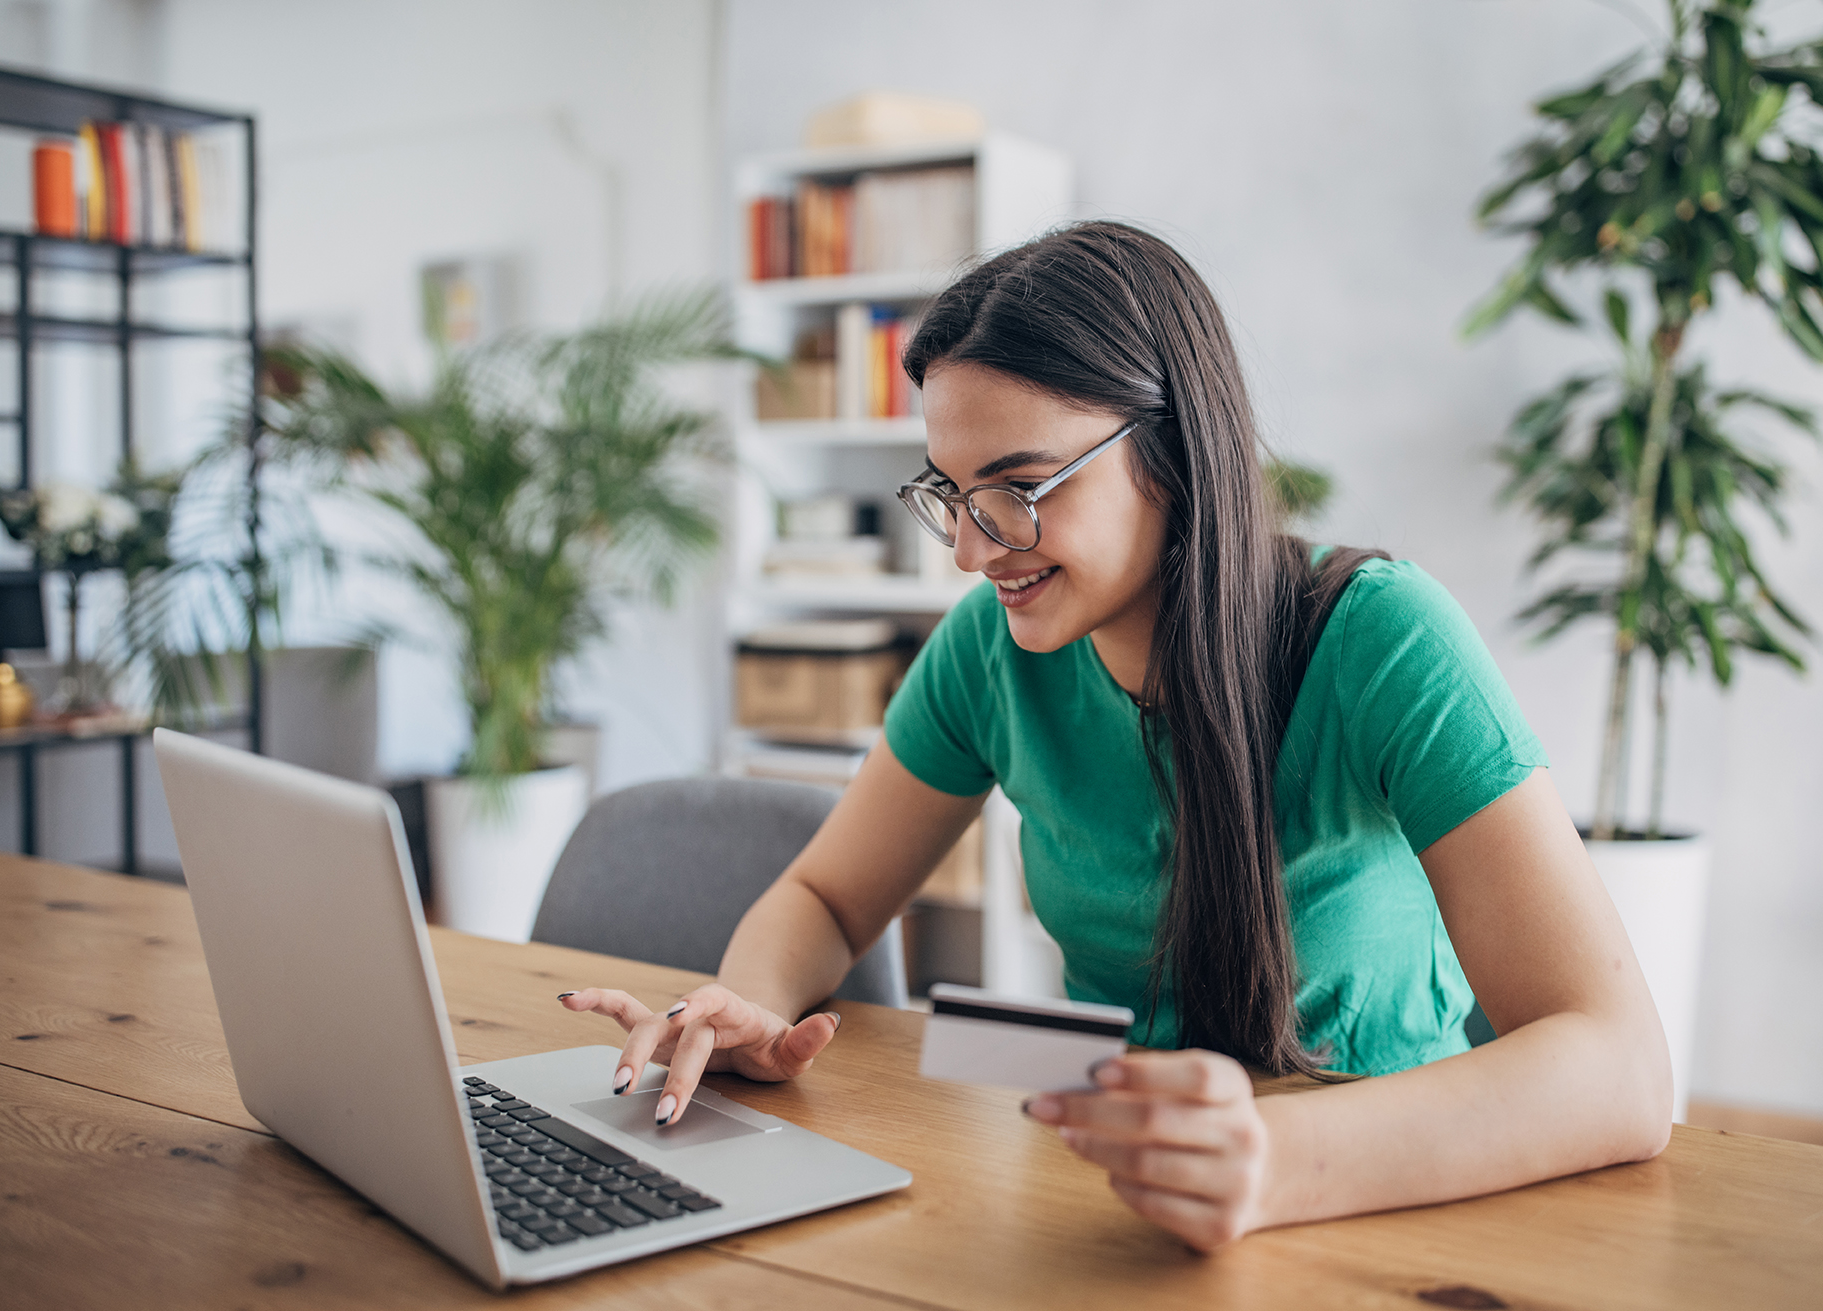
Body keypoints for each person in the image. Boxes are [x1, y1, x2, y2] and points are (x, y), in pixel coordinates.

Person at [559, 221, 1672, 1250]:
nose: (971, 551)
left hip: (1383, 1195)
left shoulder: (1381, 641)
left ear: (1174, 452)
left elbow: (1621, 1068)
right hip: (1126, 1182)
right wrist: (753, 1000)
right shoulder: (990, 654)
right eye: (950, 494)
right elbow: (826, 899)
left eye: (1021, 487)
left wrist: (1272, 1162)